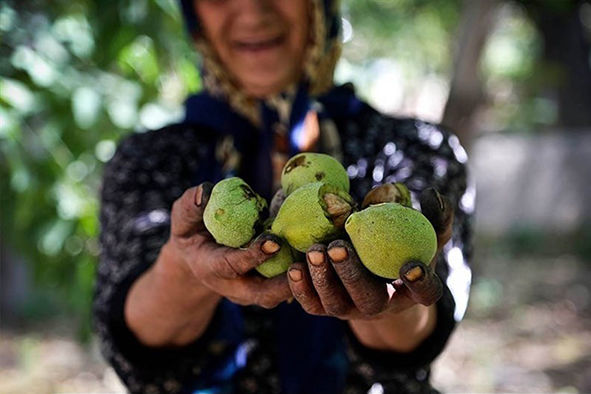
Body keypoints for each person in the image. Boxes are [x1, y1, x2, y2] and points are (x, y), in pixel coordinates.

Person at [93, 0, 473, 393]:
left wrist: (386, 301)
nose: (253, 11)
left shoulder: (417, 148)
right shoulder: (149, 160)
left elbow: (419, 332)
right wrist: (183, 270)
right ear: (194, 16)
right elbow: (131, 339)